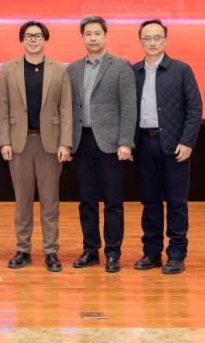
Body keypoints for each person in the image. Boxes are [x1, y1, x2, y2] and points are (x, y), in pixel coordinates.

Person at [0, 21, 72, 273]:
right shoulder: (9, 69)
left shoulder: (59, 70)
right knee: (23, 201)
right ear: (22, 40)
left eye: (37, 36)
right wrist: (4, 141)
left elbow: (66, 109)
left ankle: (51, 251)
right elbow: (3, 108)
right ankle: (23, 250)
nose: (33, 40)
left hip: (49, 144)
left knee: (50, 201)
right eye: (28, 36)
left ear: (45, 39)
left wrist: (65, 143)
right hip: (19, 144)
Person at [132, 19, 203, 275]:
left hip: (175, 147)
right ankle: (151, 253)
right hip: (143, 144)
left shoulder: (181, 70)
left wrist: (187, 142)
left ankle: (176, 255)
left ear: (165, 40)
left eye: (157, 37)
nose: (152, 42)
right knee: (149, 202)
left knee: (176, 203)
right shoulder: (134, 71)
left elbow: (195, 108)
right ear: (141, 41)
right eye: (147, 38)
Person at [67, 16, 137, 273]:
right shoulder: (73, 69)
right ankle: (90, 250)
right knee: (86, 200)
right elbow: (69, 108)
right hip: (82, 142)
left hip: (111, 144)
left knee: (113, 202)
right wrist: (67, 142)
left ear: (105, 36)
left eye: (97, 33)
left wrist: (126, 142)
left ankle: (113, 253)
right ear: (82, 38)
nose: (93, 38)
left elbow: (129, 107)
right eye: (88, 34)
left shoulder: (120, 66)